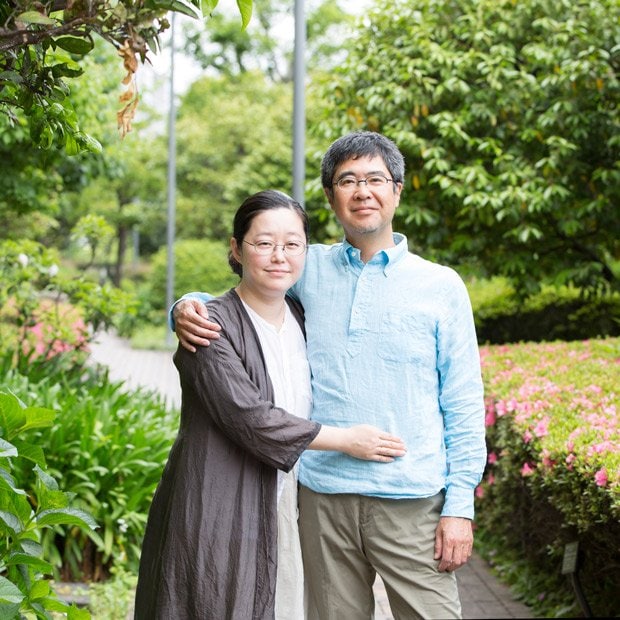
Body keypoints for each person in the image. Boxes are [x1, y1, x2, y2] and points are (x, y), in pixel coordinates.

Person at [171, 132, 487, 620]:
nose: (363, 191)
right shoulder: (306, 265)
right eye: (348, 180)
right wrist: (183, 305)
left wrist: (459, 507)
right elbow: (246, 285)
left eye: (375, 179)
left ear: (397, 190)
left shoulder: (440, 286)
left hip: (412, 502)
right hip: (321, 501)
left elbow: (463, 402)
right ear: (330, 195)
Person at [134, 189, 406, 620]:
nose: (279, 256)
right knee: (217, 601)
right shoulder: (210, 326)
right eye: (263, 243)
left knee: (284, 604)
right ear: (237, 250)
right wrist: (347, 441)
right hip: (219, 502)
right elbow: (251, 418)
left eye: (292, 244)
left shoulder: (303, 316)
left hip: (289, 499)